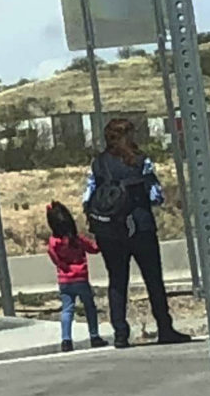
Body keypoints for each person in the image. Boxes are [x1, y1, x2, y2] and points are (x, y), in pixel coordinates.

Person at [83, 116, 192, 348]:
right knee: (153, 279)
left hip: (109, 230)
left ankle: (120, 333)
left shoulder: (98, 163)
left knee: (117, 280)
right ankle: (164, 327)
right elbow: (156, 196)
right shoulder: (141, 161)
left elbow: (88, 194)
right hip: (140, 226)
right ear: (127, 136)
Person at [43, 202, 104, 351]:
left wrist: (63, 267)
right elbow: (94, 249)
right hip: (81, 278)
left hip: (65, 280)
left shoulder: (53, 243)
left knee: (67, 309)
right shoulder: (77, 240)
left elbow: (53, 257)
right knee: (89, 307)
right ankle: (94, 336)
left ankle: (66, 340)